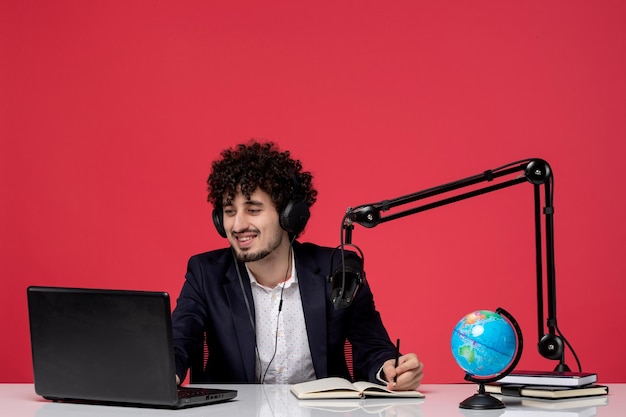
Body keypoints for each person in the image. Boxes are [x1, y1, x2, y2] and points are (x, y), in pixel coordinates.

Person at [171, 140, 423, 390]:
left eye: (253, 210)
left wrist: (391, 369)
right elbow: (178, 339)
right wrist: (165, 373)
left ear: (289, 216)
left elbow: (372, 345)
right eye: (228, 211)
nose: (237, 226)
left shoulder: (339, 268)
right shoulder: (206, 273)